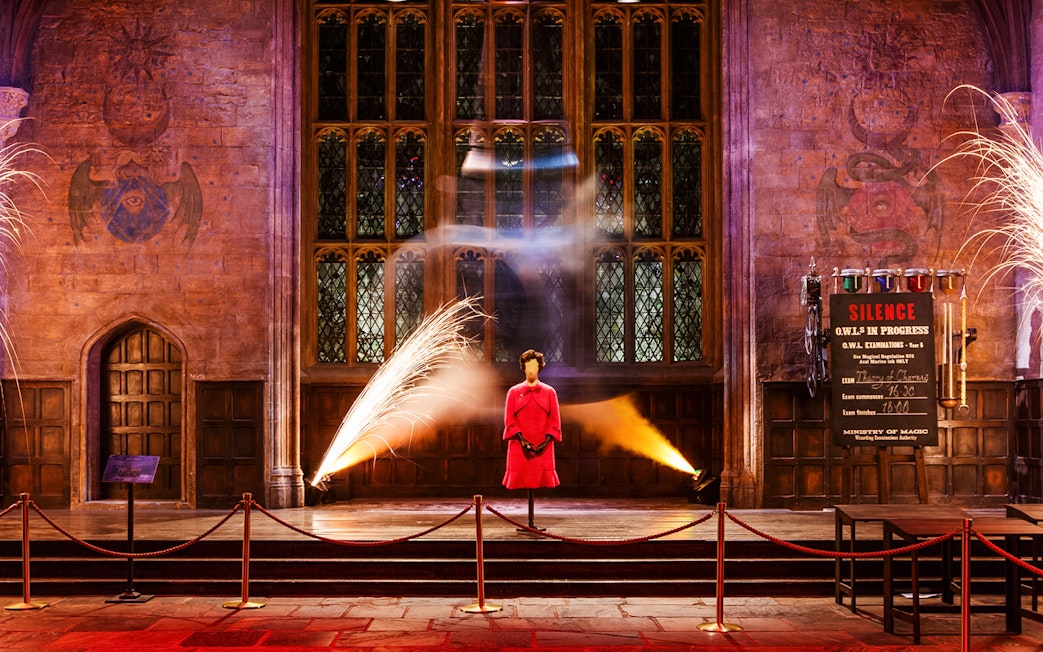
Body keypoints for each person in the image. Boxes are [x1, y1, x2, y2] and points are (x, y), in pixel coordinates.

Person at [502, 349, 561, 491]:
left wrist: (545, 442)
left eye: (534, 366)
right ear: (523, 367)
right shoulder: (514, 392)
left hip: (543, 447)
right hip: (519, 446)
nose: (531, 370)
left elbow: (555, 421)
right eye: (528, 366)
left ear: (540, 367)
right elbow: (509, 421)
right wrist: (522, 441)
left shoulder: (549, 392)